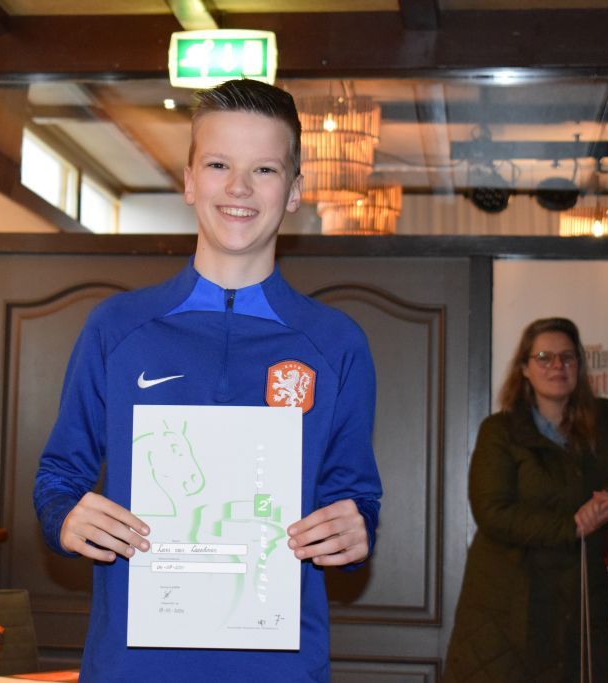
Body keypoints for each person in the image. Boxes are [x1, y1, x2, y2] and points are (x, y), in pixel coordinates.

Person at [33, 78, 383, 682]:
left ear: (294, 191)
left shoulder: (337, 344)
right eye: (219, 164)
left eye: (264, 169)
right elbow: (58, 478)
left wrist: (356, 532)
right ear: (190, 180)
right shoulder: (116, 329)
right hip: (132, 667)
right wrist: (65, 518)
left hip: (279, 669)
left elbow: (355, 498)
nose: (239, 187)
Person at [443, 317, 608, 682]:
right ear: (524, 369)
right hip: (508, 606)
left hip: (579, 604)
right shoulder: (500, 431)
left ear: (579, 367)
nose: (557, 365)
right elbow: (492, 512)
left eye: (567, 357)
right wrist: (572, 526)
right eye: (544, 357)